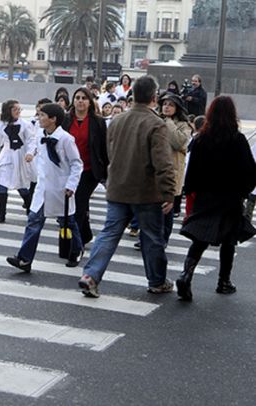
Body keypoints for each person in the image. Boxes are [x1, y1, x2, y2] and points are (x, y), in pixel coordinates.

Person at [78, 75, 176, 298]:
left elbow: (111, 153)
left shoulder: (118, 120)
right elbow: (163, 162)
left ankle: (91, 275)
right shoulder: (156, 124)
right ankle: (157, 281)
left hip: (118, 187)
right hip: (145, 191)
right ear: (154, 97)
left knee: (109, 233)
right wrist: (169, 193)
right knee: (151, 238)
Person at [176, 96, 256, 301]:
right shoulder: (237, 140)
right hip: (230, 197)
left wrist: (192, 190)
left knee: (201, 238)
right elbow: (249, 170)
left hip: (205, 196)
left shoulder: (201, 139)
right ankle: (224, 281)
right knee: (229, 240)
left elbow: (192, 169)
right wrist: (244, 190)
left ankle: (187, 273)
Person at [6, 103, 83, 271]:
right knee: (33, 221)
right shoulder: (40, 133)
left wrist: (71, 184)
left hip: (60, 188)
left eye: (42, 115)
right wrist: (30, 153)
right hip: (43, 188)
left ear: (53, 119)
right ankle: (24, 259)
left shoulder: (66, 139)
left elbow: (77, 164)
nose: (39, 118)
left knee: (67, 222)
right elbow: (35, 146)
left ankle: (76, 250)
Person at [62, 87, 109, 249]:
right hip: (68, 171)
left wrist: (106, 174)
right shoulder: (65, 120)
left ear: (90, 102)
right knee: (77, 205)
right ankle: (86, 233)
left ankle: (76, 246)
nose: (80, 101)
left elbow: (104, 149)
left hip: (89, 171)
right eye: (77, 98)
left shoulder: (98, 122)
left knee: (79, 206)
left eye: (84, 98)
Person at [0, 99, 35, 222]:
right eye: (15, 109)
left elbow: (31, 140)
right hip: (6, 155)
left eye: (19, 109)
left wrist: (30, 153)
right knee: (2, 182)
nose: (18, 112)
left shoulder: (26, 124)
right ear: (8, 111)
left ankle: (30, 208)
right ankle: (1, 214)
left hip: (20, 156)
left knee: (20, 184)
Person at [159, 94, 192, 225]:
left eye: (171, 105)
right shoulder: (155, 120)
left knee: (167, 211)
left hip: (172, 171)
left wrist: (168, 122)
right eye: (165, 104)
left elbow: (179, 142)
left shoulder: (184, 125)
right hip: (154, 170)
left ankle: (162, 240)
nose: (166, 107)